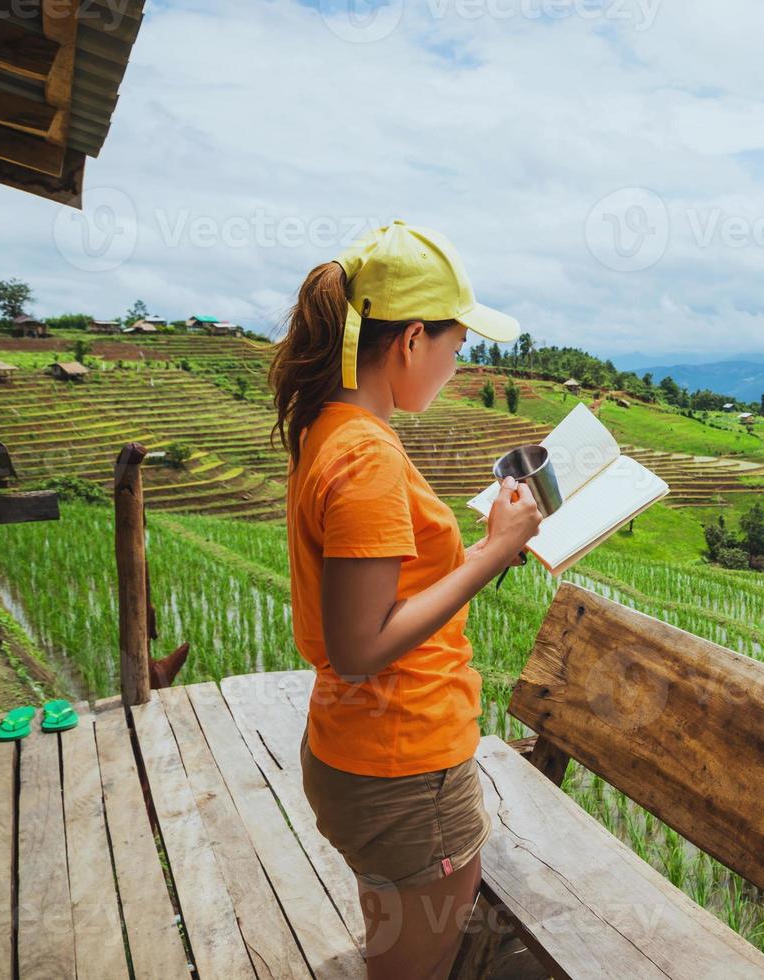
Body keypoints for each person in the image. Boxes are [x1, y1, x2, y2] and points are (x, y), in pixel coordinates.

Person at [268, 221, 541, 977]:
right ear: (412, 340)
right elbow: (359, 646)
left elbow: (392, 588)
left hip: (362, 758)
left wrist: (492, 549)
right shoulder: (368, 458)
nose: (455, 368)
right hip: (405, 771)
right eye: (455, 350)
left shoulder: (335, 429)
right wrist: (493, 552)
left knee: (392, 942)